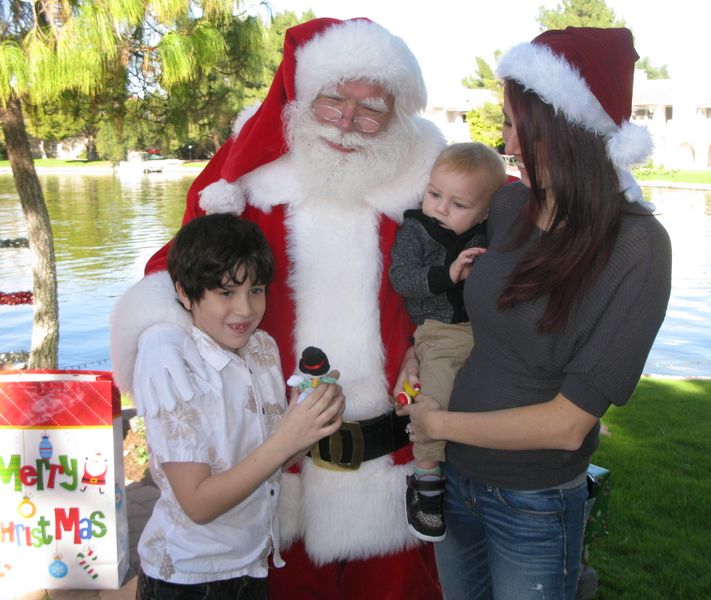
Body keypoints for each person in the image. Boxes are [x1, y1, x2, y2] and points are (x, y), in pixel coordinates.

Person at [110, 17, 446, 599]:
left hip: (392, 471)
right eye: (333, 100)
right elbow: (183, 272)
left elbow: (466, 284)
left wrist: (427, 342)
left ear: (400, 116)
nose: (348, 122)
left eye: (372, 108)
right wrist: (165, 347)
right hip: (277, 475)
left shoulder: (429, 188)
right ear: (302, 96)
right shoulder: (253, 183)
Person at [398, 27, 672, 599]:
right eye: (505, 123)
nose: (510, 144)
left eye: (525, 128)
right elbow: (467, 310)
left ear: (573, 131)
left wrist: (438, 425)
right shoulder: (508, 205)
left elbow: (568, 425)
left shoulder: (636, 246)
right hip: (454, 481)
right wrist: (414, 357)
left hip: (533, 501)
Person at [133, 213, 344, 597]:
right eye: (226, 293)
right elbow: (197, 504)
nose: (245, 310)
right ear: (184, 293)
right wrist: (286, 440)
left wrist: (310, 420)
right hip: (190, 577)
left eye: (256, 290)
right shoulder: (175, 372)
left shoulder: (263, 348)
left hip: (252, 562)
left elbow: (265, 454)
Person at [388, 142, 506, 542]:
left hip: (487, 330)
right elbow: (401, 278)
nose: (439, 207)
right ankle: (425, 483)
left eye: (458, 204)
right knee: (433, 398)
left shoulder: (490, 233)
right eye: (434, 194)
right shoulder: (416, 231)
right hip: (438, 332)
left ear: (485, 211)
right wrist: (448, 273)